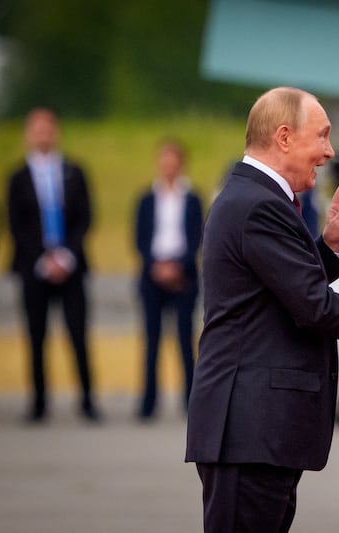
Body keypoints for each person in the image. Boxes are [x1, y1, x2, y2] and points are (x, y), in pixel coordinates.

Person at [185, 87, 339, 532]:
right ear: (283, 137)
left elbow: (277, 291)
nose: (329, 152)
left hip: (254, 431)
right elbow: (310, 306)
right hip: (249, 430)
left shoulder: (255, 198)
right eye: (321, 136)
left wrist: (330, 247)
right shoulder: (259, 204)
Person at [7, 107, 100, 422]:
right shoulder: (17, 177)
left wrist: (66, 255)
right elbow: (17, 225)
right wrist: (43, 258)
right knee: (36, 336)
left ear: (56, 131)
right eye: (37, 129)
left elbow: (86, 217)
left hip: (71, 265)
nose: (43, 134)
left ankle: (87, 401)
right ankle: (38, 402)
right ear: (29, 134)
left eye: (48, 128)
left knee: (78, 334)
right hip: (34, 267)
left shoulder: (75, 171)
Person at [134, 139, 203, 420]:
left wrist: (178, 267)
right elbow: (139, 238)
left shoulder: (193, 198)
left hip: (183, 275)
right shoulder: (147, 199)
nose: (169, 166)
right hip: (153, 275)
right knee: (151, 341)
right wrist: (157, 266)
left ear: (182, 163)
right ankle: (148, 402)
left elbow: (198, 237)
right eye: (165, 160)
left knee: (186, 340)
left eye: (174, 160)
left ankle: (191, 401)